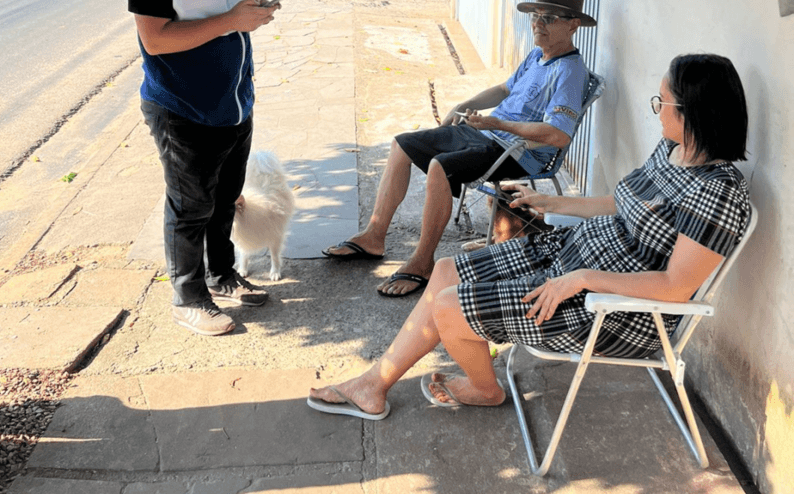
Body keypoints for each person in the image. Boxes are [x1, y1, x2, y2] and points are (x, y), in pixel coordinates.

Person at [308, 53, 750, 419]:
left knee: (449, 307)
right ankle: (373, 384)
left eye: (664, 102)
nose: (657, 109)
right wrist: (552, 204)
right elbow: (622, 201)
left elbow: (675, 287)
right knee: (446, 271)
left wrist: (581, 279)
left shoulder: (718, 193)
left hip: (610, 311)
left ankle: (485, 389)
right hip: (570, 260)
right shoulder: (673, 150)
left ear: (692, 112)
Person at [323, 0, 596, 298]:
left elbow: (558, 135)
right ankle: (374, 235)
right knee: (401, 144)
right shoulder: (537, 56)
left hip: (515, 149)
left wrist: (496, 122)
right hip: (489, 134)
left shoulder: (571, 72)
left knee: (441, 166)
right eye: (536, 16)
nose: (537, 24)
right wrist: (465, 105)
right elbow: (506, 90)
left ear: (573, 24)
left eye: (549, 18)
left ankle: (422, 262)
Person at [124, 0, 281, 336]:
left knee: (225, 197)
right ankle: (188, 297)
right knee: (190, 205)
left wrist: (251, 10)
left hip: (234, 98)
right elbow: (155, 39)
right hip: (183, 105)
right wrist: (232, 21)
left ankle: (221, 274)